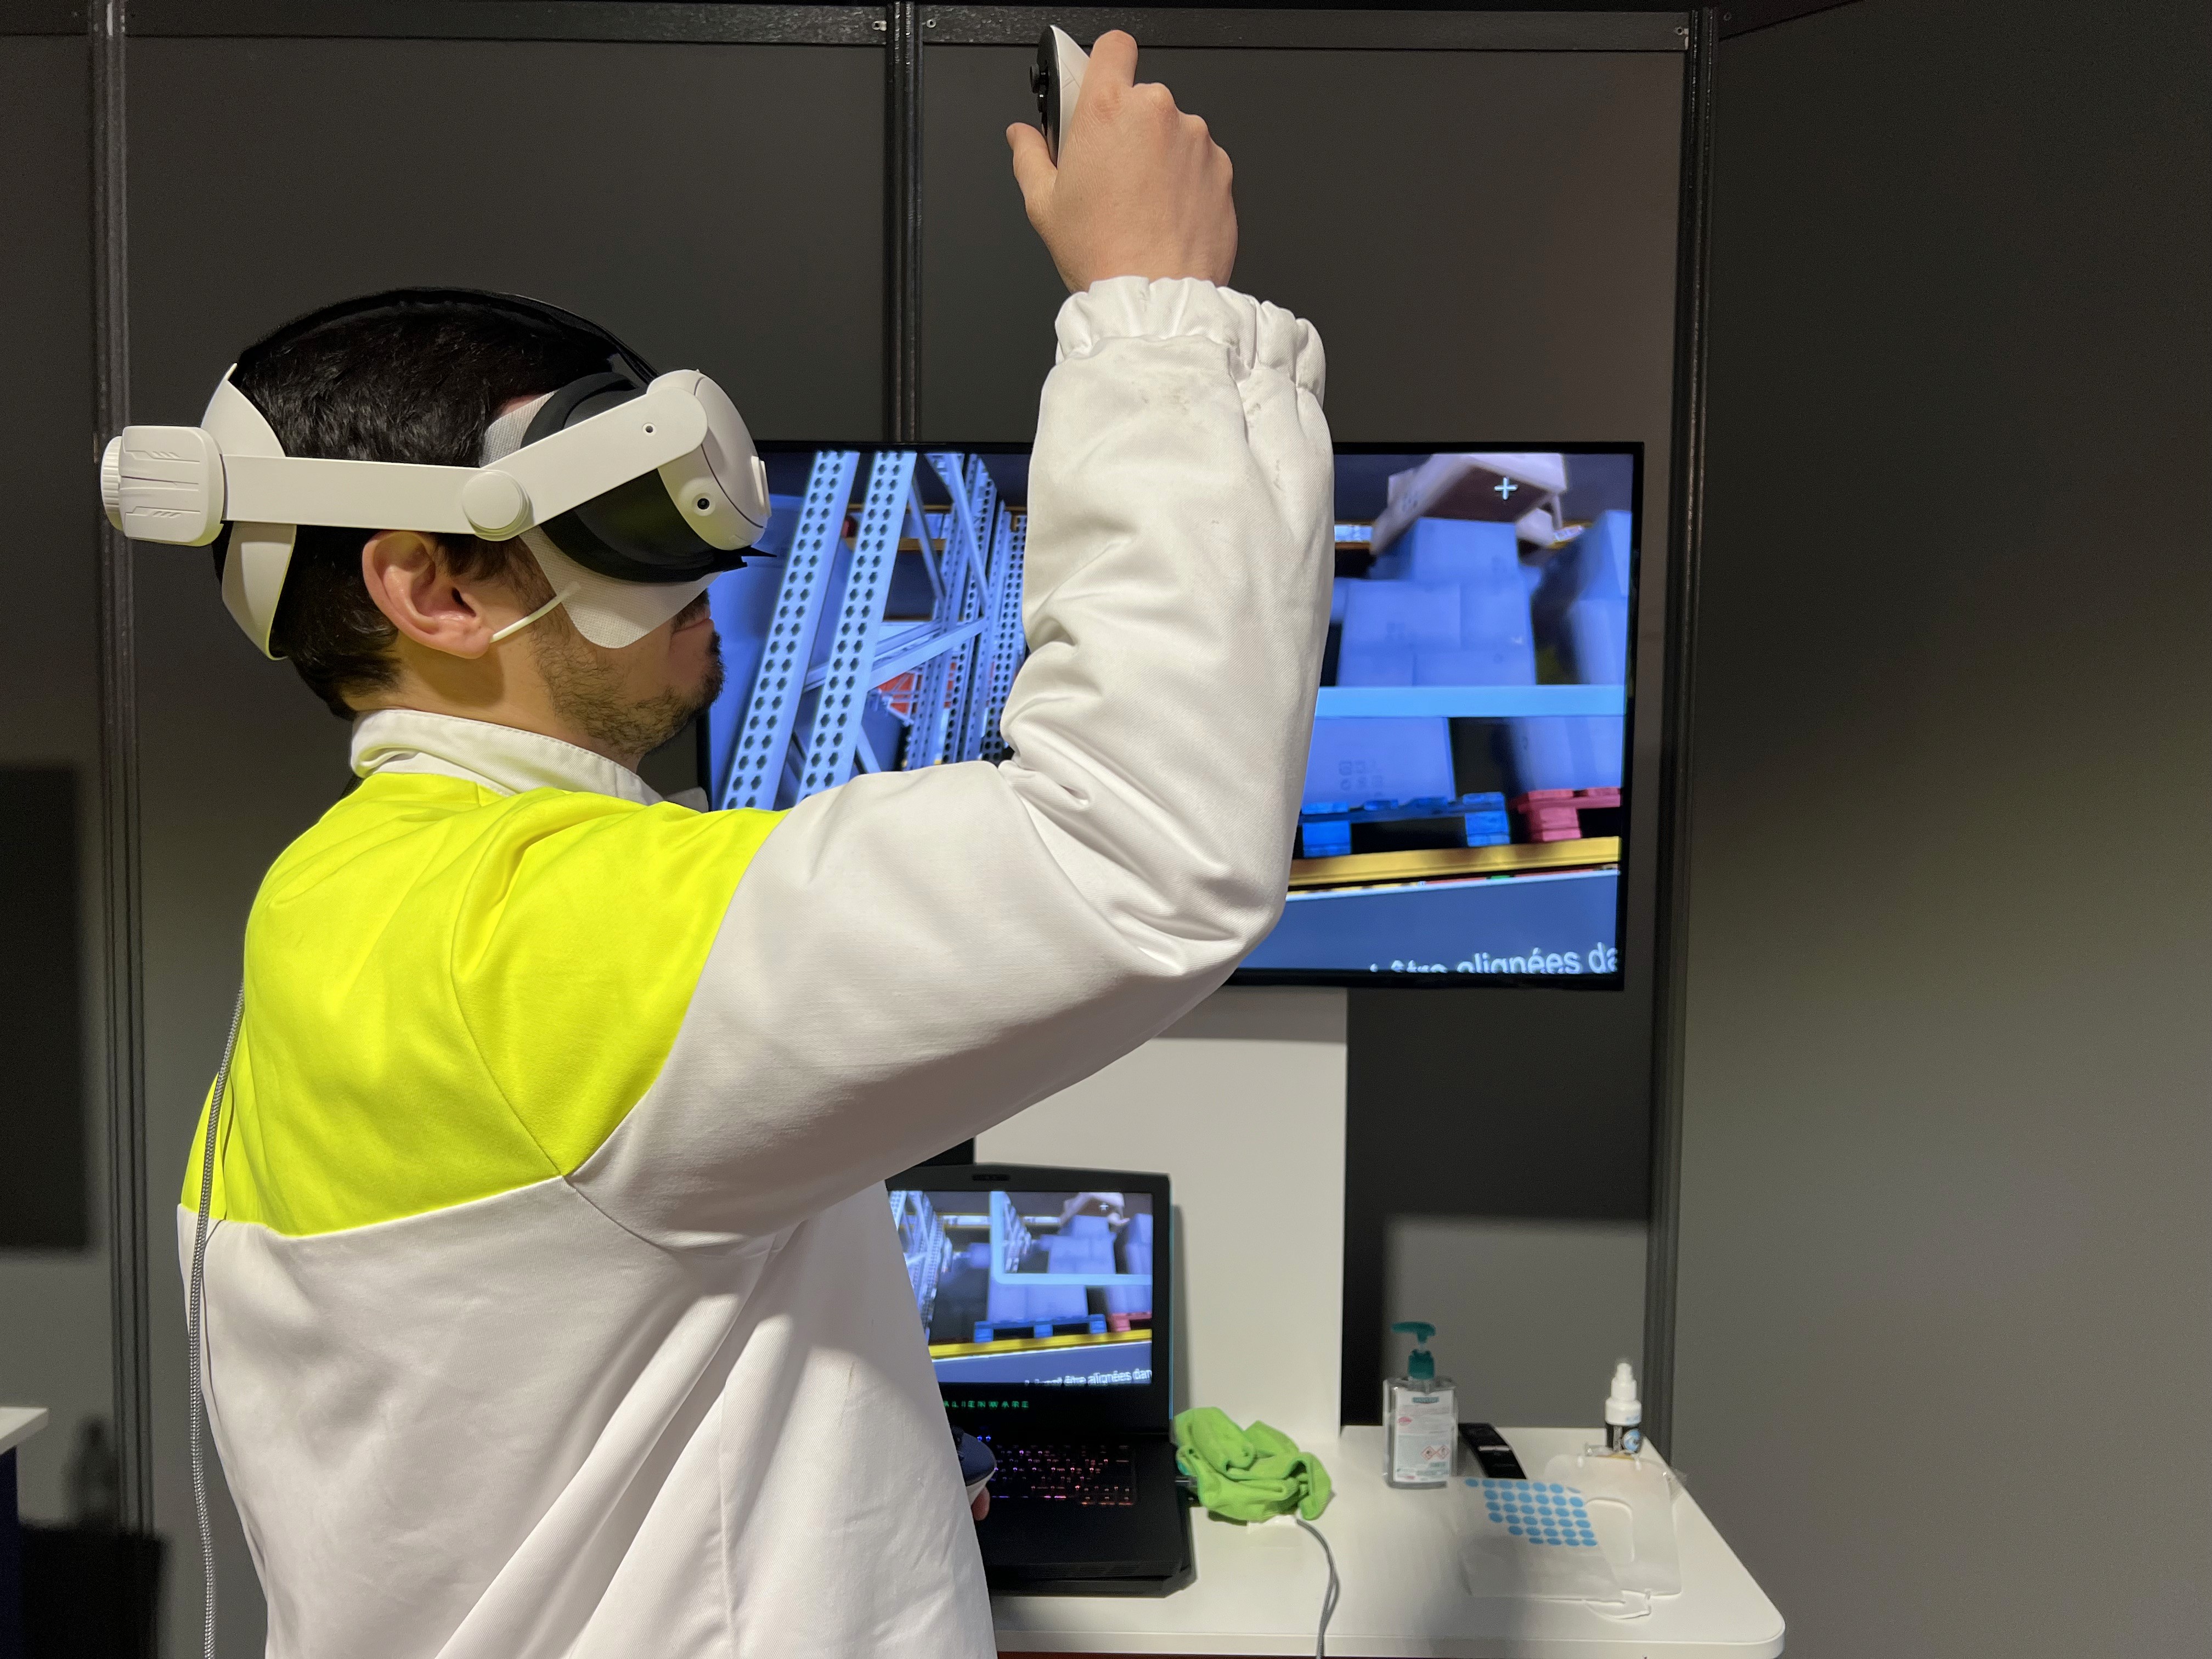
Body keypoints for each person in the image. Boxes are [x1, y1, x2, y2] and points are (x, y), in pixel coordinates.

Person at [179, 32, 1330, 1658]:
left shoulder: (339, 905)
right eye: (624, 515)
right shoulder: (524, 932)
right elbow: (1139, 849)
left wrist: (856, 1470)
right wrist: (1159, 313)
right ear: (431, 591)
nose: (710, 563)